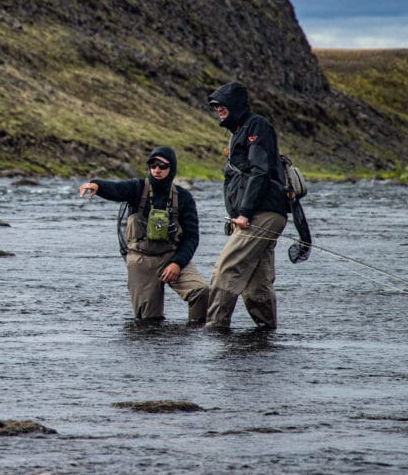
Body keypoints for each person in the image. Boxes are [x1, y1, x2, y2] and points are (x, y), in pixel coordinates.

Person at [79, 146, 209, 323]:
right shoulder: (137, 188)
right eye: (153, 165)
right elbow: (115, 189)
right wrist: (96, 185)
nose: (157, 169)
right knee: (148, 323)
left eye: (163, 166)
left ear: (172, 169)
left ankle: (193, 336)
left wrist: (177, 263)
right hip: (141, 260)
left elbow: (192, 237)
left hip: (173, 257)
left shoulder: (184, 197)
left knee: (201, 292)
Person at [205, 82, 289, 330]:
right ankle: (266, 333)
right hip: (260, 213)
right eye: (215, 106)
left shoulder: (257, 126)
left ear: (236, 105)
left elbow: (259, 171)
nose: (218, 109)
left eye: (222, 104)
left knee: (227, 268)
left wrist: (244, 213)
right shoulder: (239, 131)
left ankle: (215, 327)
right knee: (256, 281)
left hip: (261, 213)